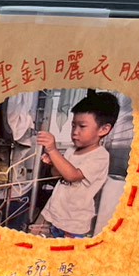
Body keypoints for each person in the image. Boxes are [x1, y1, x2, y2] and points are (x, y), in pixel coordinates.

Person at [37, 91, 118, 239]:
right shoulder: (71, 150)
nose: (75, 132)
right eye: (73, 125)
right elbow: (57, 174)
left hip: (74, 223)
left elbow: (72, 176)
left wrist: (53, 150)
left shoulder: (100, 156)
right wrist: (53, 162)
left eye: (82, 126)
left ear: (104, 129)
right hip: (57, 215)